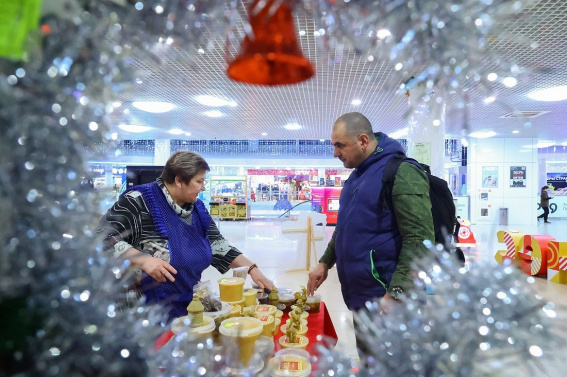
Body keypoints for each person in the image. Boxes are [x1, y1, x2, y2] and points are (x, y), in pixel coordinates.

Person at [98, 151, 272, 321]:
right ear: (179, 180)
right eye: (199, 181)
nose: (203, 187)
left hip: (186, 304)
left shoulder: (197, 208)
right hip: (143, 311)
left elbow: (217, 244)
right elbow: (102, 238)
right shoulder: (137, 201)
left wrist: (252, 269)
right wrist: (144, 260)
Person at [307, 111, 434, 323]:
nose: (334, 153)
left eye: (340, 145)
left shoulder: (401, 171)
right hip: (361, 296)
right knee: (367, 356)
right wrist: (325, 263)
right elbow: (344, 227)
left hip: (389, 299)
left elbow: (420, 238)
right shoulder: (356, 177)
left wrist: (397, 293)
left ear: (363, 141)